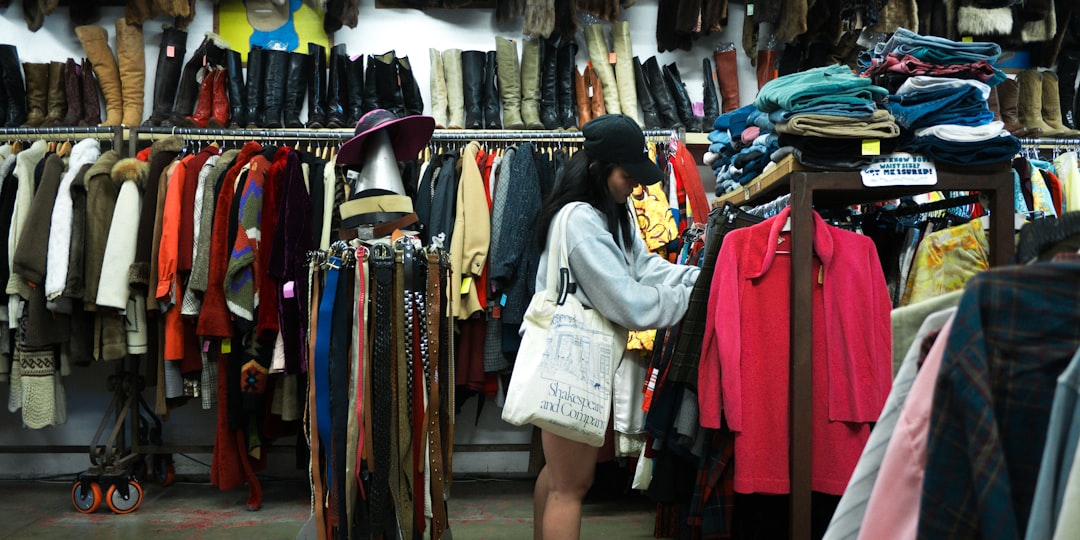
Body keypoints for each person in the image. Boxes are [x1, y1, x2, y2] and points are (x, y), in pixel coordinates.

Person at [530, 114, 700, 539]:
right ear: (597, 168)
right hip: (571, 362)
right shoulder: (581, 221)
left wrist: (699, 278)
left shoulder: (610, 213)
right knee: (571, 487)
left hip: (571, 359)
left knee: (558, 477)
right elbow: (628, 303)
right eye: (628, 175)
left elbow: (643, 267)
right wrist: (691, 298)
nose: (635, 185)